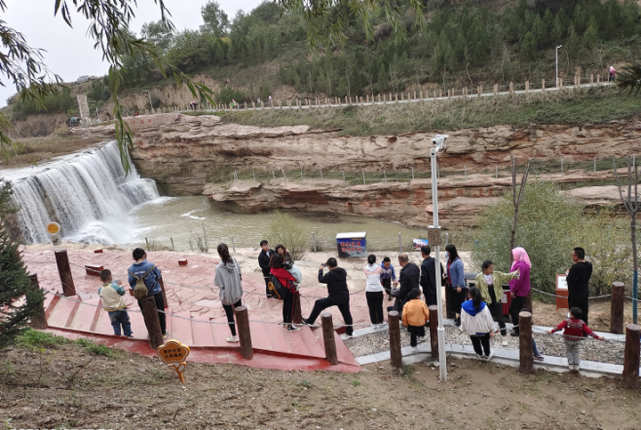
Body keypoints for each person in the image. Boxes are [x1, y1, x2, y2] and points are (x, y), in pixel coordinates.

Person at [303, 258, 354, 336]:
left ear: (329, 266)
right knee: (346, 314)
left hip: (334, 298)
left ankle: (310, 321)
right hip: (344, 297)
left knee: (318, 303)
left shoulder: (330, 274)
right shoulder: (343, 271)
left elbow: (321, 279)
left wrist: (320, 270)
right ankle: (349, 331)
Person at [475, 260, 519, 346]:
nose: (492, 270)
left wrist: (515, 274)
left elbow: (506, 276)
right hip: (485, 299)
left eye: (492, 268)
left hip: (496, 298)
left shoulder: (496, 274)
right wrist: (477, 299)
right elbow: (477, 289)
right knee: (487, 317)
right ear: (485, 269)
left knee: (500, 318)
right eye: (490, 268)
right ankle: (489, 332)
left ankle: (504, 336)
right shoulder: (479, 277)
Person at [127, 248, 168, 338]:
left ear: (134, 258)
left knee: (146, 314)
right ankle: (163, 333)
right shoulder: (151, 266)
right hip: (155, 293)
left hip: (141, 296)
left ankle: (152, 332)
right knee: (160, 313)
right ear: (144, 255)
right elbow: (158, 276)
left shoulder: (130, 269)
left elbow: (130, 282)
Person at [214, 243, 244, 342]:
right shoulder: (235, 261)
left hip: (227, 296)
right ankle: (243, 332)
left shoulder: (219, 268)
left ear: (219, 253)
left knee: (229, 315)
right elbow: (240, 274)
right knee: (240, 314)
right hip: (237, 293)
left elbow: (219, 284)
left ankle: (234, 336)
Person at [460, 287, 497, 361]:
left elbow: (463, 319)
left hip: (471, 330)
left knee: (475, 342)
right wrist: (493, 329)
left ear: (469, 295)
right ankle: (487, 355)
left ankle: (479, 354)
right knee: (485, 342)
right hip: (483, 330)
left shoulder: (464, 306)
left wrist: (462, 328)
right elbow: (489, 319)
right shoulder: (483, 306)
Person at [271, 254, 300, 332]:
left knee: (285, 305)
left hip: (282, 291)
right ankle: (290, 326)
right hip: (289, 290)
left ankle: (285, 322)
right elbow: (293, 278)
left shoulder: (273, 269)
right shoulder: (281, 271)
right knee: (291, 307)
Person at [99, 269, 132, 337]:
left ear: (101, 279)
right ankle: (128, 335)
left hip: (111, 310)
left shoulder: (100, 289)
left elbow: (101, 295)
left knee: (115, 324)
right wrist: (120, 285)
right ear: (111, 277)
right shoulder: (115, 286)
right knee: (125, 322)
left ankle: (117, 335)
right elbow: (122, 292)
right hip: (120, 308)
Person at [566, 247, 592, 325]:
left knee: (575, 312)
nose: (572, 257)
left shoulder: (575, 267)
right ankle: (584, 329)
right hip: (584, 291)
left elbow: (570, 280)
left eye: (572, 255)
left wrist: (568, 273)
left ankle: (574, 329)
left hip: (575, 294)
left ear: (576, 256)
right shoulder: (589, 265)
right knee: (584, 311)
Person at [508, 247, 531, 337]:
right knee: (519, 309)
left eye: (514, 254)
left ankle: (517, 329)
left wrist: (513, 290)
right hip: (522, 290)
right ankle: (522, 326)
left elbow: (518, 279)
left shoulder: (520, 266)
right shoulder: (523, 264)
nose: (513, 256)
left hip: (518, 291)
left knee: (513, 309)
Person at [445, 244, 465, 326]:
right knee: (454, 303)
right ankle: (458, 317)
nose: (446, 253)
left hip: (458, 286)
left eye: (447, 251)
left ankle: (461, 318)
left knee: (459, 303)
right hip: (451, 285)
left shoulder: (458, 262)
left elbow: (461, 274)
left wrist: (459, 285)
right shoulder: (448, 260)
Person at [363, 254, 384, 328]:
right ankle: (381, 322)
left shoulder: (364, 268)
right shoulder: (379, 267)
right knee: (379, 307)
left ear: (367, 261)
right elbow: (382, 274)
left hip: (369, 290)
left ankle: (374, 323)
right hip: (378, 290)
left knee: (371, 308)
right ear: (375, 260)